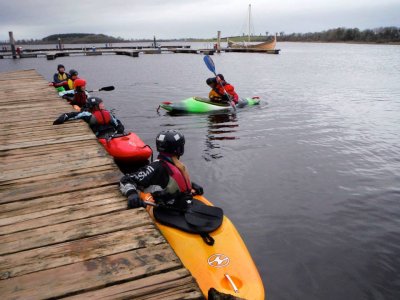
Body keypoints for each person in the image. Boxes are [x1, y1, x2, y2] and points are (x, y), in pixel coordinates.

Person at [119, 130, 204, 209]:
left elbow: (170, 182)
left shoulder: (176, 165)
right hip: (167, 209)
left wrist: (191, 185)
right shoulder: (156, 167)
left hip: (182, 204)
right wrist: (132, 194)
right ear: (179, 149)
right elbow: (126, 180)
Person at [53, 96, 125, 137]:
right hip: (99, 135)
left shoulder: (108, 114)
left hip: (112, 134)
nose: (103, 105)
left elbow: (117, 123)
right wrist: (63, 117)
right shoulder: (87, 114)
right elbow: (73, 115)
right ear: (95, 106)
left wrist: (120, 130)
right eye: (101, 104)